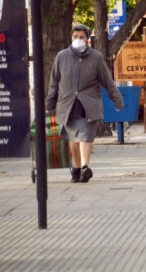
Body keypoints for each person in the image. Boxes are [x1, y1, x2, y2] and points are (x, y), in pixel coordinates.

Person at [46, 24, 123, 183]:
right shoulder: (61, 56)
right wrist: (49, 104)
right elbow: (54, 82)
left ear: (87, 39)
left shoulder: (96, 57)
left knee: (86, 137)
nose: (78, 40)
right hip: (68, 105)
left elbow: (107, 81)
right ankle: (76, 168)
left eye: (81, 37)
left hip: (89, 105)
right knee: (73, 139)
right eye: (75, 37)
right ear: (71, 38)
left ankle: (85, 167)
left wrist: (117, 99)